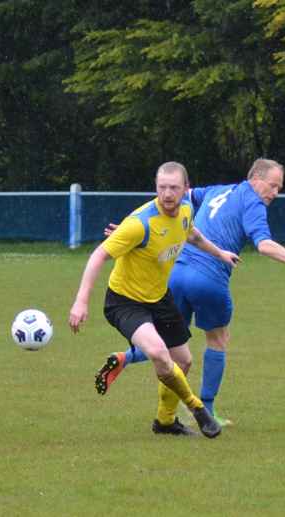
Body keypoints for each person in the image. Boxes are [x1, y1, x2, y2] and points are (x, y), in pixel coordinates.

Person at [95, 158, 285, 425]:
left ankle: (125, 359)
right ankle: (208, 410)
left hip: (175, 274)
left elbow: (172, 198)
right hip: (208, 280)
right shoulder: (253, 202)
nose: (275, 193)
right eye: (273, 185)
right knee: (218, 340)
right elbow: (265, 245)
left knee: (172, 343)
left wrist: (133, 229)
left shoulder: (218, 190)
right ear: (255, 178)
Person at [68, 161, 240, 438]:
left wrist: (219, 253)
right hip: (124, 302)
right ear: (156, 188)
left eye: (173, 188)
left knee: (182, 361)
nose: (167, 193)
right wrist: (81, 301)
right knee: (160, 354)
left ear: (185, 189)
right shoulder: (140, 223)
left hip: (159, 297)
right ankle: (198, 409)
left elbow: (192, 234)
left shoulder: (185, 210)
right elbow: (98, 255)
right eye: (162, 187)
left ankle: (165, 422)